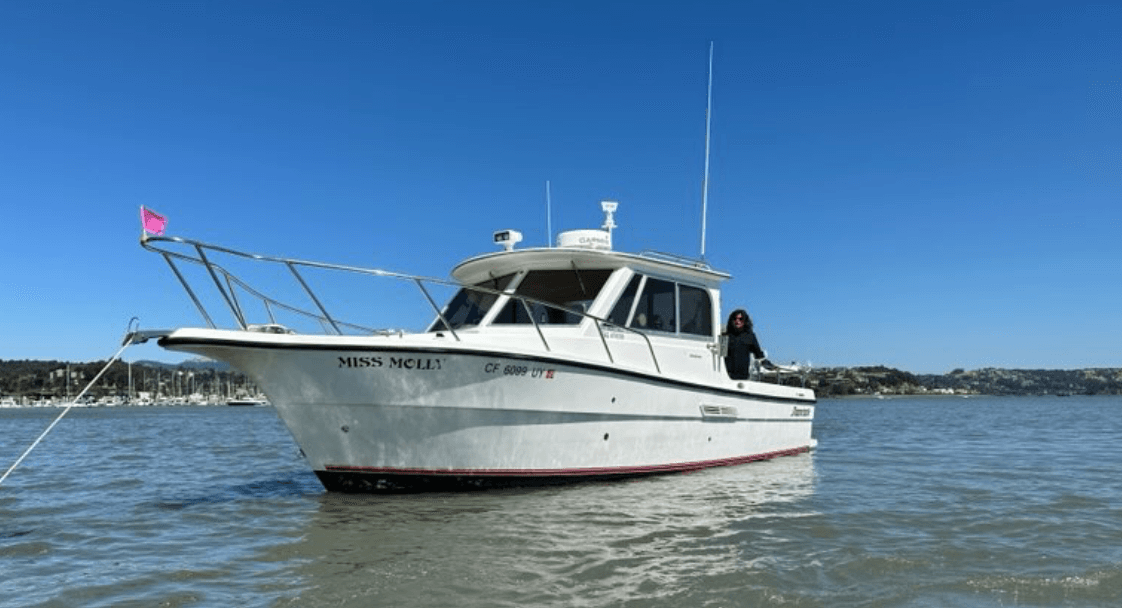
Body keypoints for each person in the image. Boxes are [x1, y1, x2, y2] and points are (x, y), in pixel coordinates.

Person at [724, 309, 765, 380]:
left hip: (743, 376)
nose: (737, 321)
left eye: (740, 319)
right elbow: (720, 356)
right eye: (735, 319)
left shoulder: (750, 336)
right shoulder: (725, 336)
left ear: (745, 321)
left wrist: (767, 364)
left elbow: (758, 354)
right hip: (726, 375)